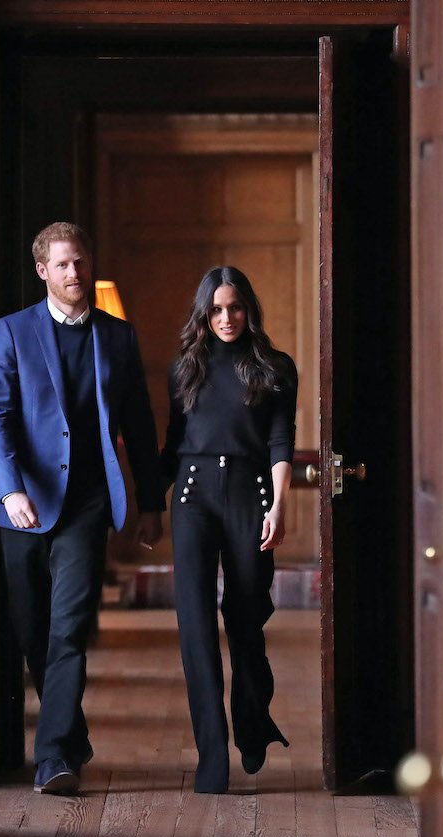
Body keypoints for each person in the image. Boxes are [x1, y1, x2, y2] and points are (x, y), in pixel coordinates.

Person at [0, 221, 165, 795]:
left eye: (80, 262)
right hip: (24, 504)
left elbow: (138, 422)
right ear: (43, 272)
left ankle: (55, 757)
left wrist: (150, 502)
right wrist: (10, 489)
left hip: (86, 502)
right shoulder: (10, 332)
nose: (74, 273)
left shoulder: (117, 337)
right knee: (32, 629)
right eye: (62, 265)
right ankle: (71, 730)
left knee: (68, 631)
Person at [160, 266, 295, 793]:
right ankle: (211, 759)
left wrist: (279, 506)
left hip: (250, 493)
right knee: (195, 628)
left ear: (248, 309)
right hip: (192, 497)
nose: (225, 318)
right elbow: (173, 444)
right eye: (215, 309)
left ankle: (254, 718)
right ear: (203, 313)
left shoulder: (276, 367)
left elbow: (281, 440)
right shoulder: (184, 369)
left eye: (234, 307)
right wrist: (146, 502)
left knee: (246, 619)